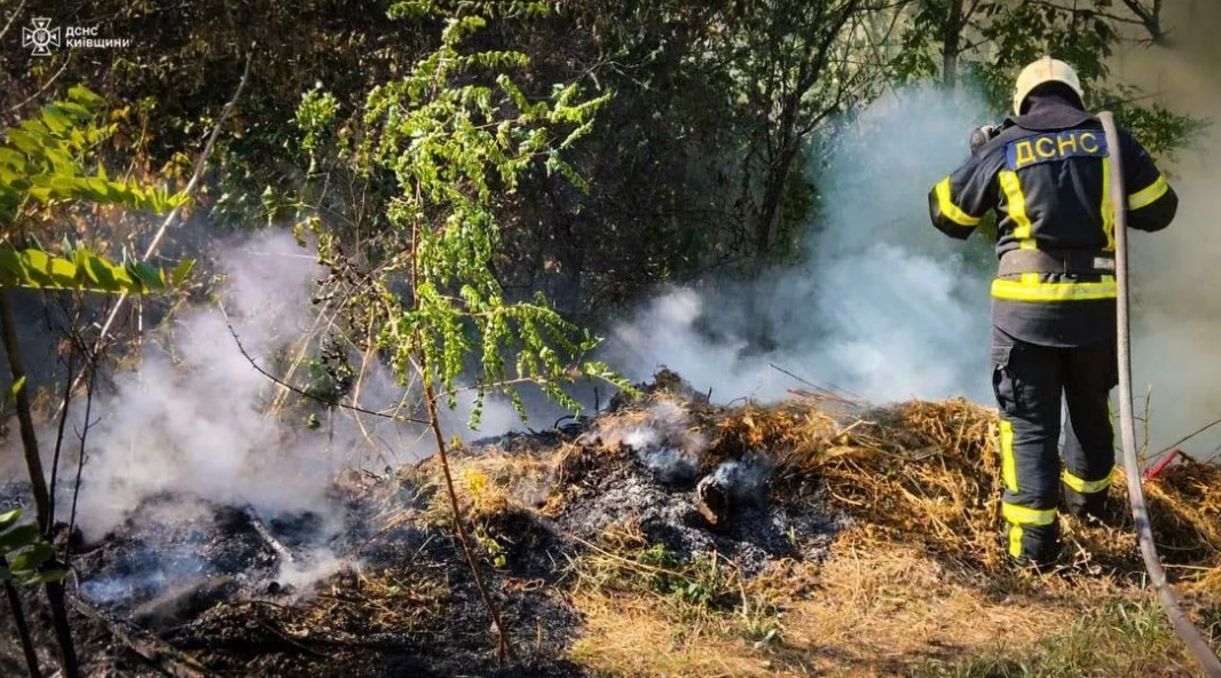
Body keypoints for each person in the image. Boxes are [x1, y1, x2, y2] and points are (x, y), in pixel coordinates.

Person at [927, 56, 1178, 566]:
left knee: (1028, 425)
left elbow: (947, 214)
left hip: (1025, 316)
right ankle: (1090, 515)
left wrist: (979, 155)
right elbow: (1161, 209)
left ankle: (1032, 555)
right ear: (1075, 95)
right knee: (1090, 412)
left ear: (1023, 100)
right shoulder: (1110, 140)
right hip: (1094, 312)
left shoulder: (1005, 144)